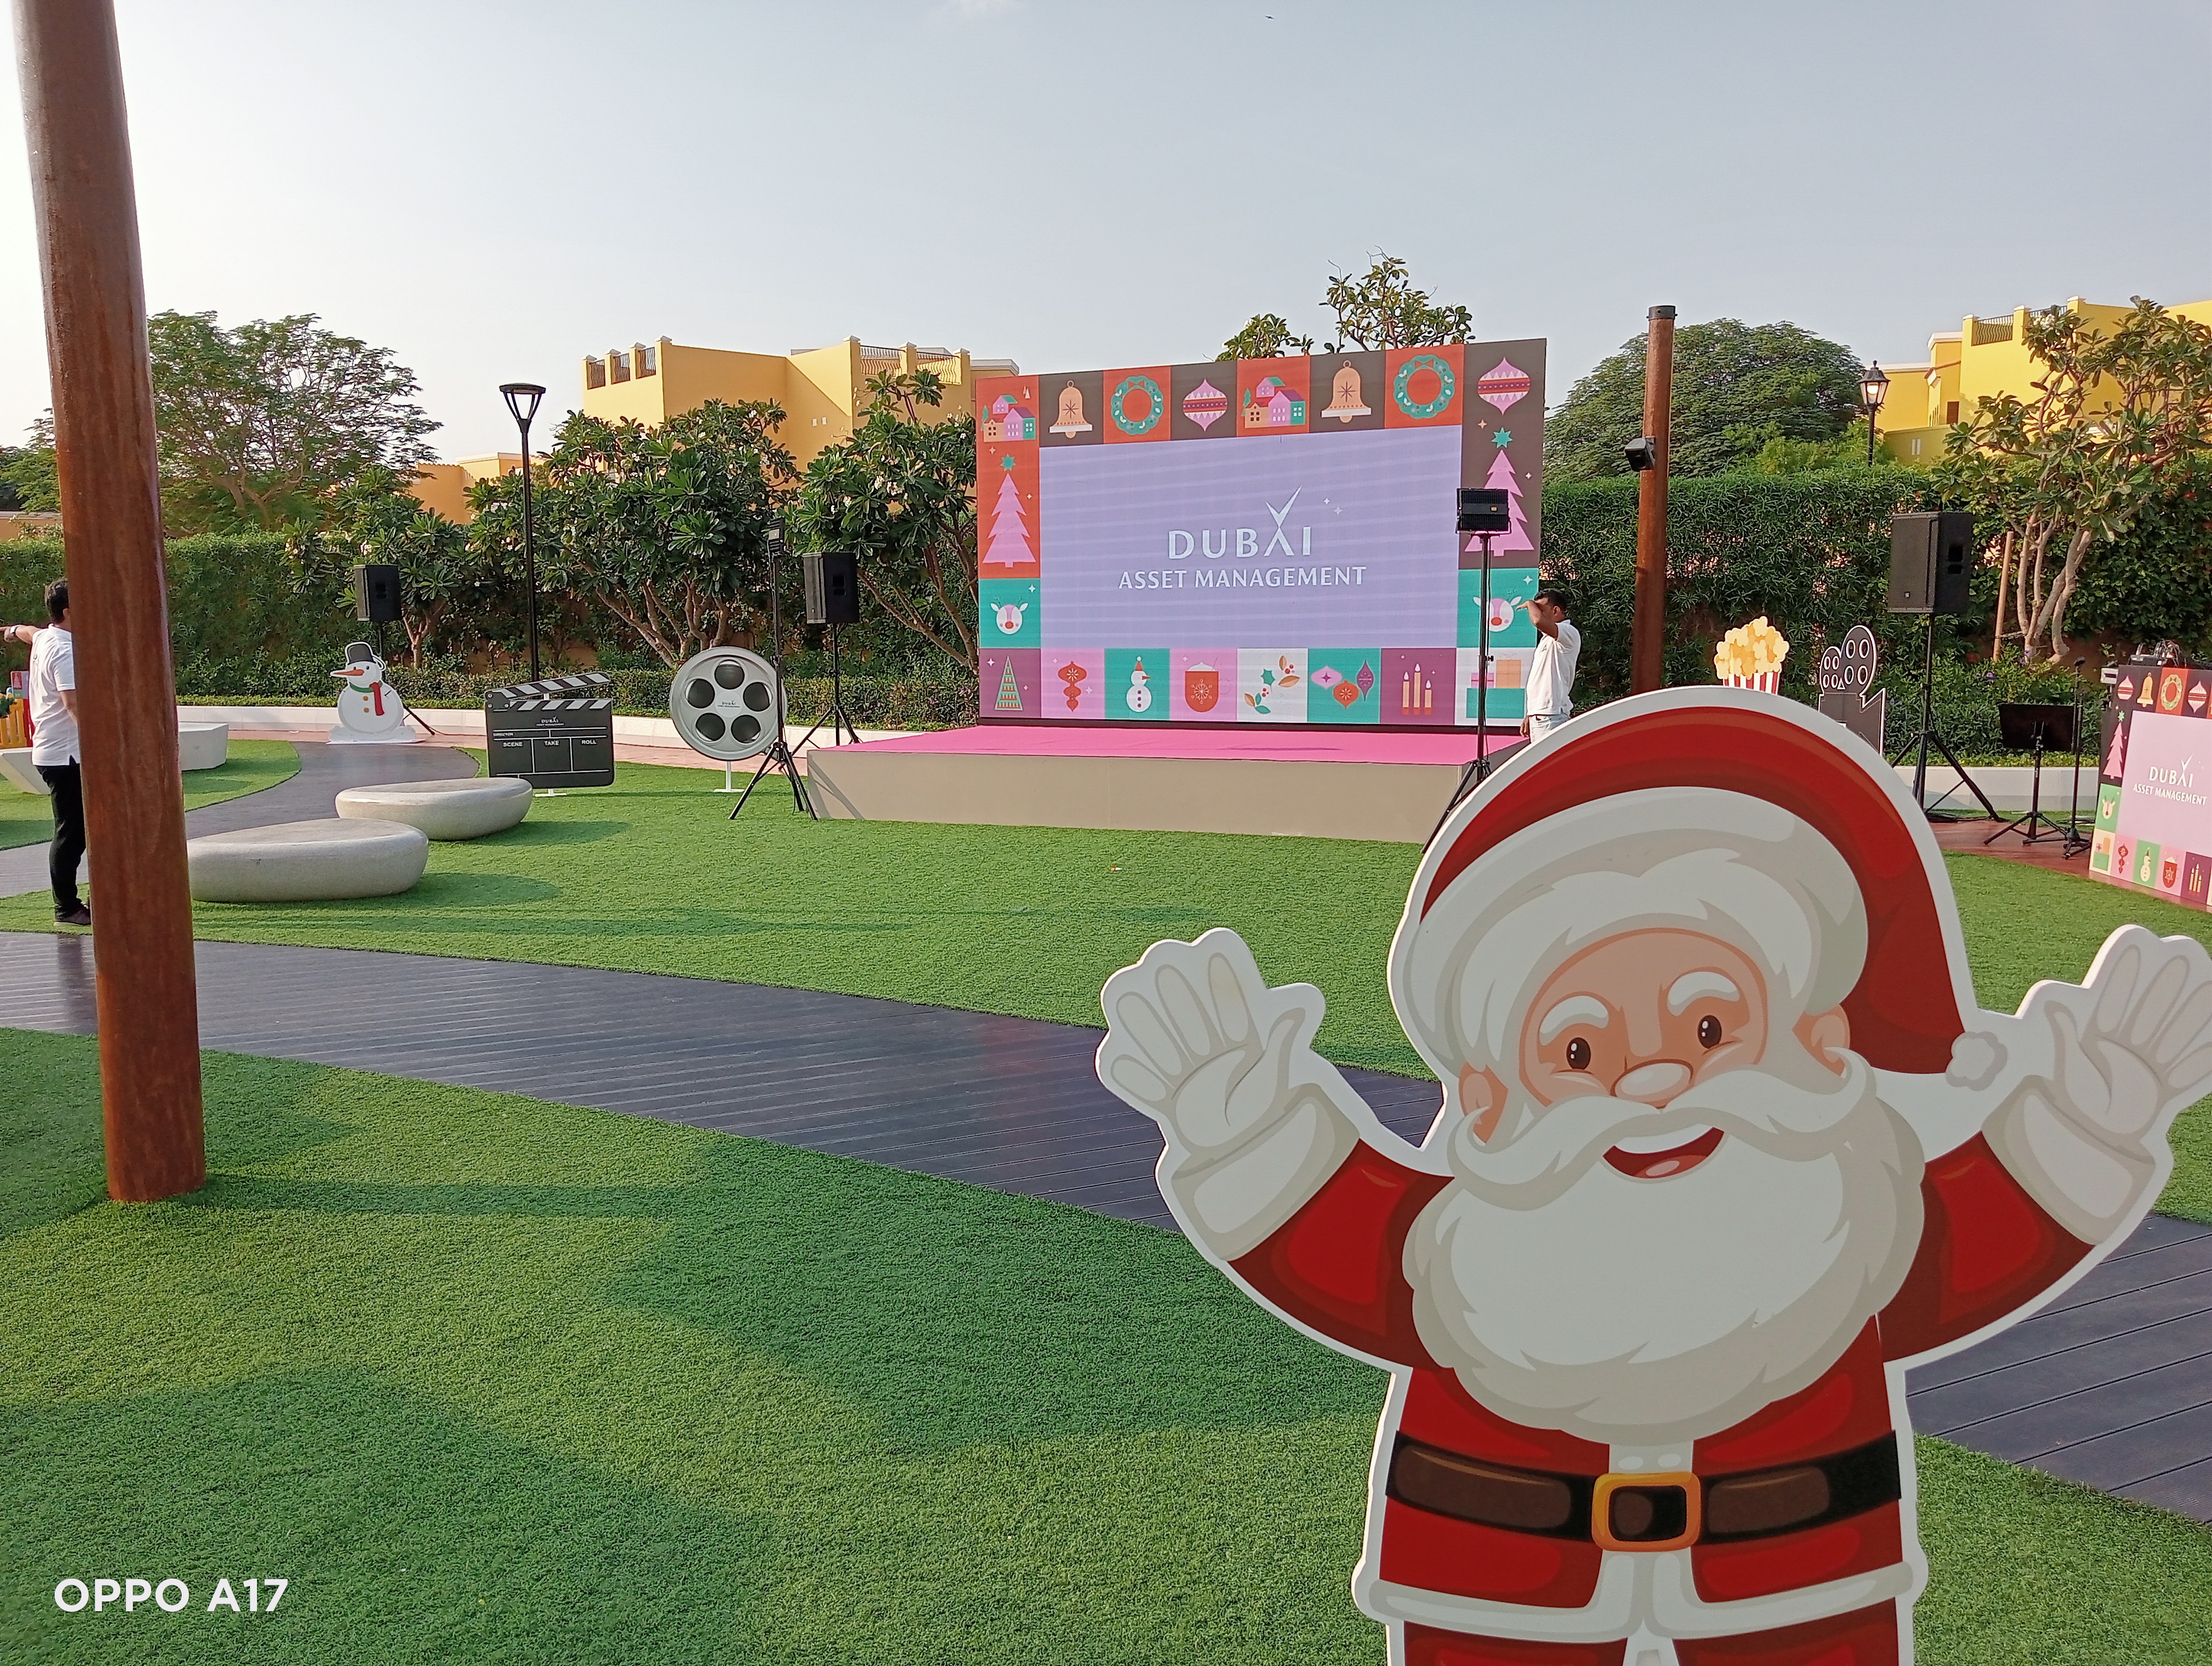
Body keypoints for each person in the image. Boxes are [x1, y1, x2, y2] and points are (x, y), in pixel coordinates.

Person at [1097, 692, 2212, 1665]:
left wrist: (2090, 1113)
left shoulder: (1847, 1224)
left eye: (1710, 1026)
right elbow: (1341, 1245)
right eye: (1581, 1049)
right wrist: (1241, 1117)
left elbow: (1977, 1241)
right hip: (1493, 1570)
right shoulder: (1468, 1258)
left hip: (1799, 1567)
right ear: (1486, 1098)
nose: (1657, 1079)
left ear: (1816, 1041)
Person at [5, 580, 89, 926]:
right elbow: (73, 705)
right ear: (68, 612)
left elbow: (28, 632)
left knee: (82, 828)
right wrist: (103, 749)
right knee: (72, 833)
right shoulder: (65, 651)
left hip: (55, 752)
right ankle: (67, 907)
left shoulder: (46, 637)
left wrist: (11, 631)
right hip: (67, 756)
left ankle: (87, 899)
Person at [1519, 587, 1579, 744]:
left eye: (1541, 609)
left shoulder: (1568, 632)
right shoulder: (1547, 639)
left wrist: (1529, 603)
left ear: (1556, 610)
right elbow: (1542, 680)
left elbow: (1538, 621)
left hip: (1552, 717)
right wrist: (1531, 713)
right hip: (1543, 716)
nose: (1536, 612)